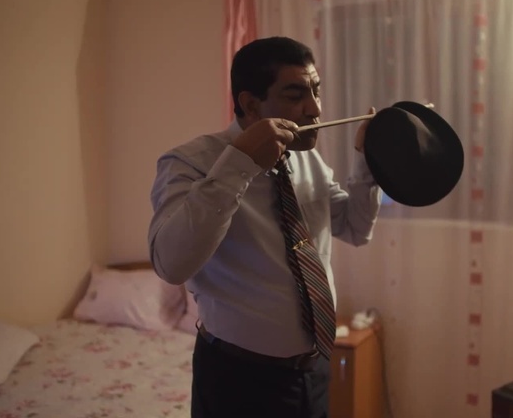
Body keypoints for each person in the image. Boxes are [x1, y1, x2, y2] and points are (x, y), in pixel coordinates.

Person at [147, 36, 382, 418]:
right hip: (237, 380)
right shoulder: (190, 162)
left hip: (314, 370)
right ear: (251, 104)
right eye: (295, 95)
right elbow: (170, 264)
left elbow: (354, 228)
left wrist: (369, 162)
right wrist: (238, 164)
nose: (315, 108)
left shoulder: (308, 160)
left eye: (316, 90)